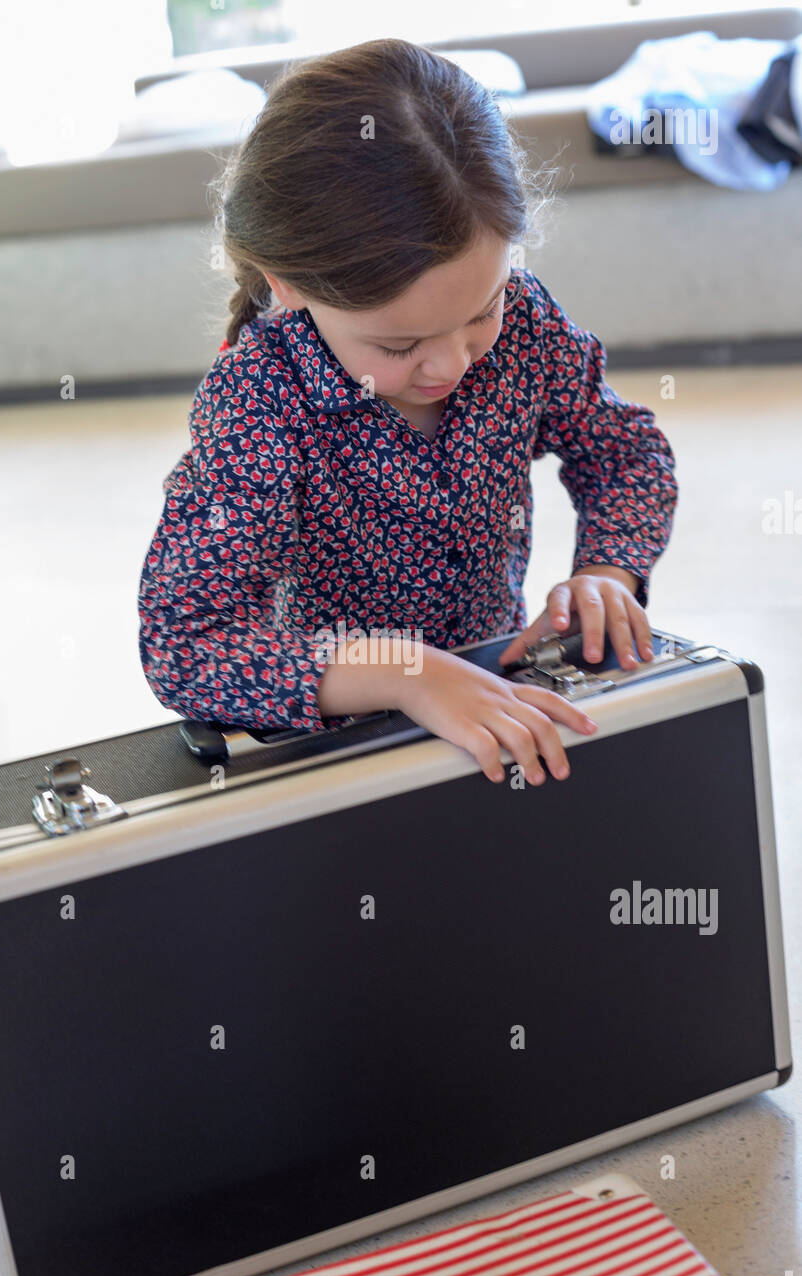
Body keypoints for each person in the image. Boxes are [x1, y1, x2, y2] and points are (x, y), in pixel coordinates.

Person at [137, 38, 678, 786]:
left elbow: (624, 453)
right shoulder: (258, 400)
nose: (452, 364)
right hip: (337, 751)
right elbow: (187, 645)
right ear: (287, 285)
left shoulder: (525, 321)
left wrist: (609, 573)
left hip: (496, 703)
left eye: (480, 312)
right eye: (400, 344)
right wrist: (406, 673)